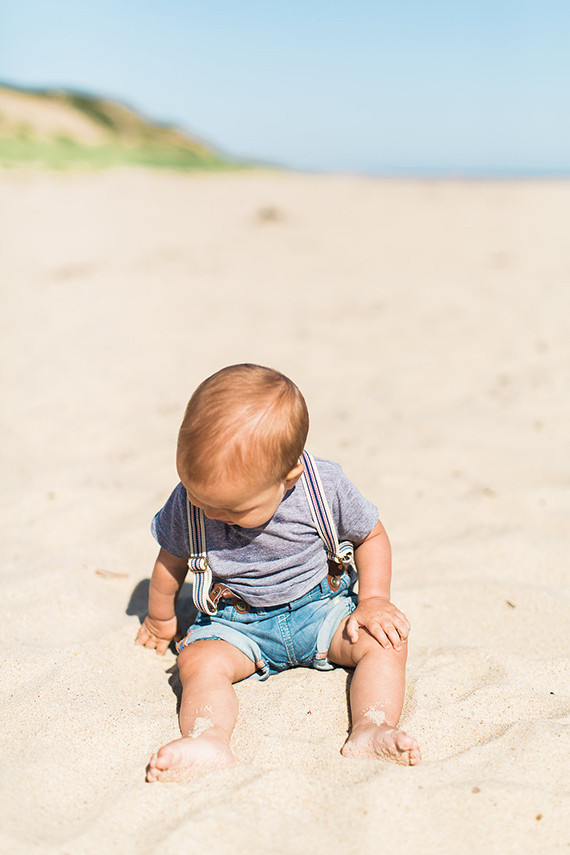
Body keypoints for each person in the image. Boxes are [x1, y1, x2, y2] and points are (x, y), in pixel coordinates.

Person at [136, 363, 420, 781]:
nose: (210, 514)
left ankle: (372, 725)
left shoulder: (323, 487)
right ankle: (207, 737)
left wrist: (374, 600)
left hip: (322, 610)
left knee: (385, 641)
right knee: (197, 661)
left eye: (232, 509)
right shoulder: (189, 503)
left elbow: (370, 535)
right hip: (237, 625)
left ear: (289, 478)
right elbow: (170, 562)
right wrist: (161, 619)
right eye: (199, 499)